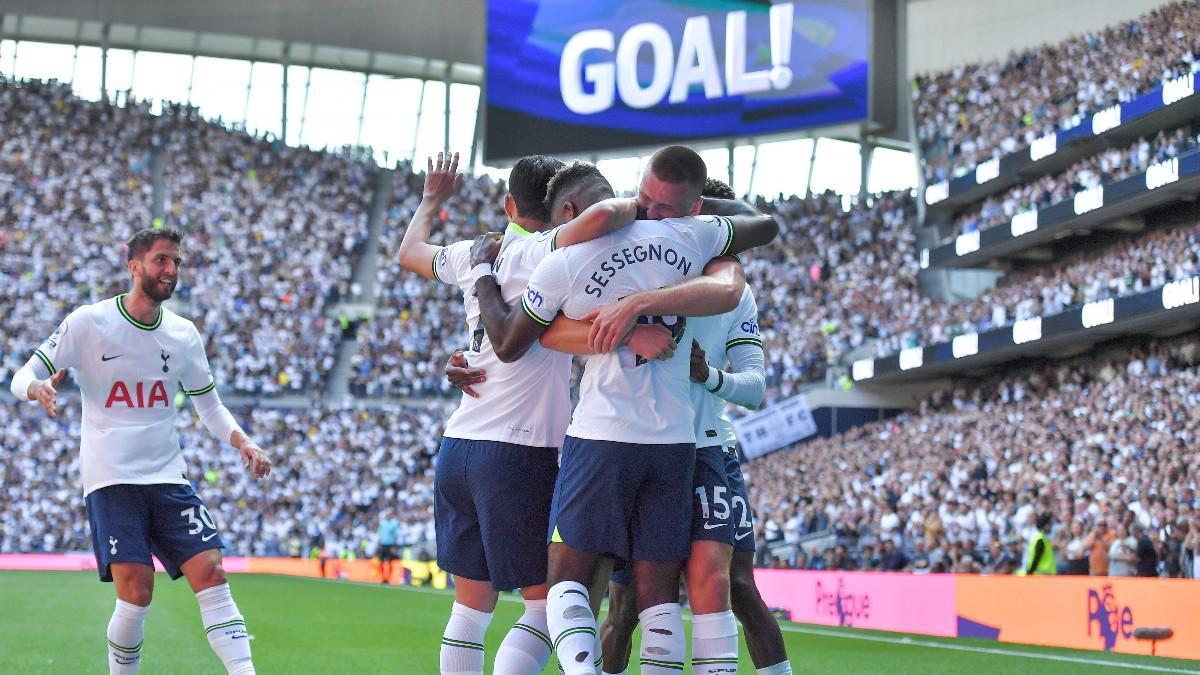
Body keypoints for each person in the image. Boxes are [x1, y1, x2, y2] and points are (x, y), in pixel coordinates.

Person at [472, 147, 778, 674]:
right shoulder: (692, 237)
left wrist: (481, 274)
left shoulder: (560, 258)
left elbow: (508, 341)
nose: (647, 213)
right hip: (674, 443)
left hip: (603, 435)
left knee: (567, 583)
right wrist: (634, 320)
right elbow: (759, 234)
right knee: (656, 598)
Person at [393, 152, 671, 675]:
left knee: (469, 610)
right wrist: (653, 204)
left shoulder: (476, 252)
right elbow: (596, 221)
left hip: (459, 445)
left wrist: (432, 198)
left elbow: (408, 252)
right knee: (549, 609)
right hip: (521, 450)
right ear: (562, 209)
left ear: (508, 203)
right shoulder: (544, 252)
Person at [8, 228, 271, 675]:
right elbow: (20, 374)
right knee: (137, 589)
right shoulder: (89, 323)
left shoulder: (183, 334)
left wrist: (243, 441)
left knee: (211, 570)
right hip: (111, 478)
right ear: (135, 267)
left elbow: (208, 404)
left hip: (168, 476)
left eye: (176, 262)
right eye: (161, 260)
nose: (170, 270)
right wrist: (34, 387)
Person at [600, 177, 792, 675]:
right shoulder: (638, 269)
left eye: (691, 219)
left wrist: (708, 374)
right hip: (640, 444)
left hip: (708, 450)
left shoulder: (736, 292)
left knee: (738, 590)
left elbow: (753, 389)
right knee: (625, 607)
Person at [378, 510, 401, 584]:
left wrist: (394, 545)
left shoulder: (394, 523)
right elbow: (380, 534)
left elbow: (396, 533)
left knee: (390, 562)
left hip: (390, 545)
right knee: (381, 561)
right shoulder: (382, 523)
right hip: (383, 544)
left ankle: (389, 577)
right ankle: (383, 576)